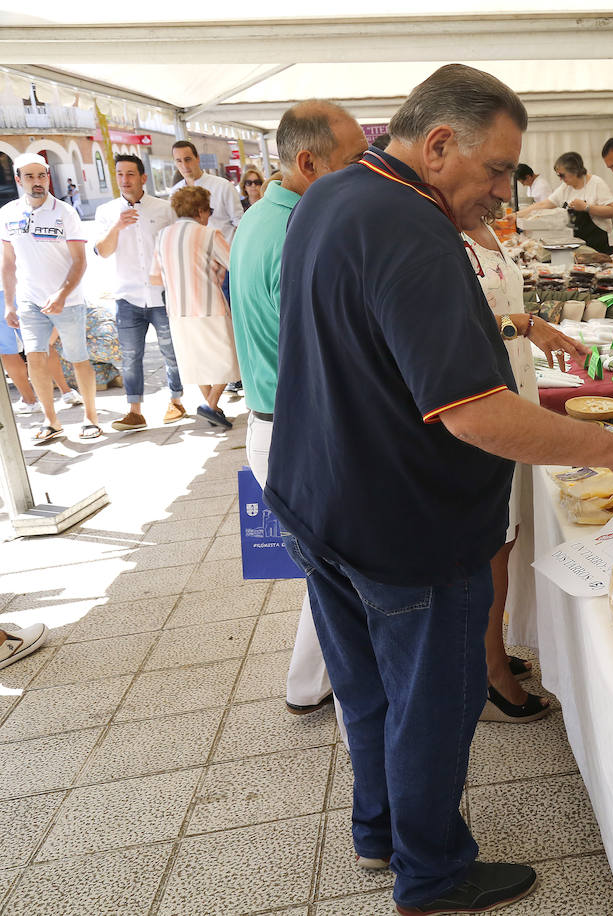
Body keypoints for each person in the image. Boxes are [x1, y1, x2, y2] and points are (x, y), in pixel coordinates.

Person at [268, 63, 613, 915]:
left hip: (321, 500)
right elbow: (474, 414)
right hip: (403, 527)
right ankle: (432, 875)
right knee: (432, 705)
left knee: (370, 691)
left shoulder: (331, 195)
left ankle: (377, 830)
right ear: (440, 144)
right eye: (496, 170)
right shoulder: (411, 228)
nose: (505, 191)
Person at [231, 99, 368, 719]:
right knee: (346, 578)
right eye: (354, 162)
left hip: (273, 422)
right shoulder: (298, 231)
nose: (366, 173)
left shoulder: (261, 218)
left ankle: (304, 686)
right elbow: (324, 349)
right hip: (302, 431)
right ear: (307, 162)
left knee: (330, 573)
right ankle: (356, 726)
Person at [463, 208, 585, 725]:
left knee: (505, 536)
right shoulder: (438, 230)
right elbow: (454, 319)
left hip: (513, 388)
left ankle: (484, 651)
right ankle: (489, 674)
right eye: (494, 168)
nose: (501, 186)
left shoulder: (482, 224)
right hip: (483, 397)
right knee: (494, 541)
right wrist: (526, 324)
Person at [1, 153, 103, 443]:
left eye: (41, 176)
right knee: (35, 357)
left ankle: (91, 418)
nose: (37, 182)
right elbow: (8, 264)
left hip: (67, 301)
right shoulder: (7, 214)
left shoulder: (65, 212)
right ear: (19, 180)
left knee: (77, 359)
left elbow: (80, 261)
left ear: (48, 177)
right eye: (30, 177)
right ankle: (51, 420)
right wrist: (10, 303)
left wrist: (61, 294)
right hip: (29, 301)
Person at [93, 153, 185, 431]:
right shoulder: (106, 213)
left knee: (171, 352)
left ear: (143, 178)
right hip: (127, 296)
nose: (125, 180)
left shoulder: (164, 209)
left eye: (130, 174)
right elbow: (103, 252)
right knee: (130, 357)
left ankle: (177, 401)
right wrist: (118, 226)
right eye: (120, 174)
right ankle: (134, 411)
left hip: (161, 294)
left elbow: (174, 248)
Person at [151, 186, 238, 429]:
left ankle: (213, 407)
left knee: (196, 361)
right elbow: (234, 262)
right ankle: (211, 405)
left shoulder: (162, 236)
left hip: (178, 309)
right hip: (209, 305)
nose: (209, 215)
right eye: (208, 210)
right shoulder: (209, 234)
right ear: (200, 210)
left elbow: (154, 277)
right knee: (230, 357)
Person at [514, 151, 613, 254]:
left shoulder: (596, 183)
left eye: (562, 175)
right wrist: (516, 215)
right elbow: (543, 204)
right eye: (558, 175)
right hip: (580, 246)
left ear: (575, 171)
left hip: (600, 245)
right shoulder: (566, 187)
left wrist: (587, 207)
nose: (560, 179)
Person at [170, 140, 243, 243]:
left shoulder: (223, 186)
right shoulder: (174, 192)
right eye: (179, 161)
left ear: (197, 158)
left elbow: (239, 222)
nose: (184, 165)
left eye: (188, 159)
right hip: (194, 254)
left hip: (224, 253)